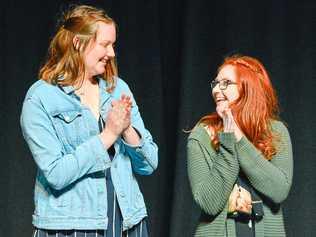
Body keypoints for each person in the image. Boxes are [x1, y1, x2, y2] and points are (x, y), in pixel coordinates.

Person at [20, 5, 158, 237]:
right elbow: (56, 173)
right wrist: (109, 134)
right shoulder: (41, 97)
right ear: (78, 43)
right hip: (71, 227)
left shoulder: (117, 88)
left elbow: (149, 163)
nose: (112, 53)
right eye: (105, 44)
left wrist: (127, 131)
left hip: (128, 221)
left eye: (113, 45)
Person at [187, 55, 293, 236]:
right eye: (215, 83)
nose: (216, 90)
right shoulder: (202, 134)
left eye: (226, 83)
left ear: (248, 88)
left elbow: (279, 190)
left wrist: (239, 138)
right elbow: (209, 202)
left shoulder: (276, 131)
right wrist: (227, 140)